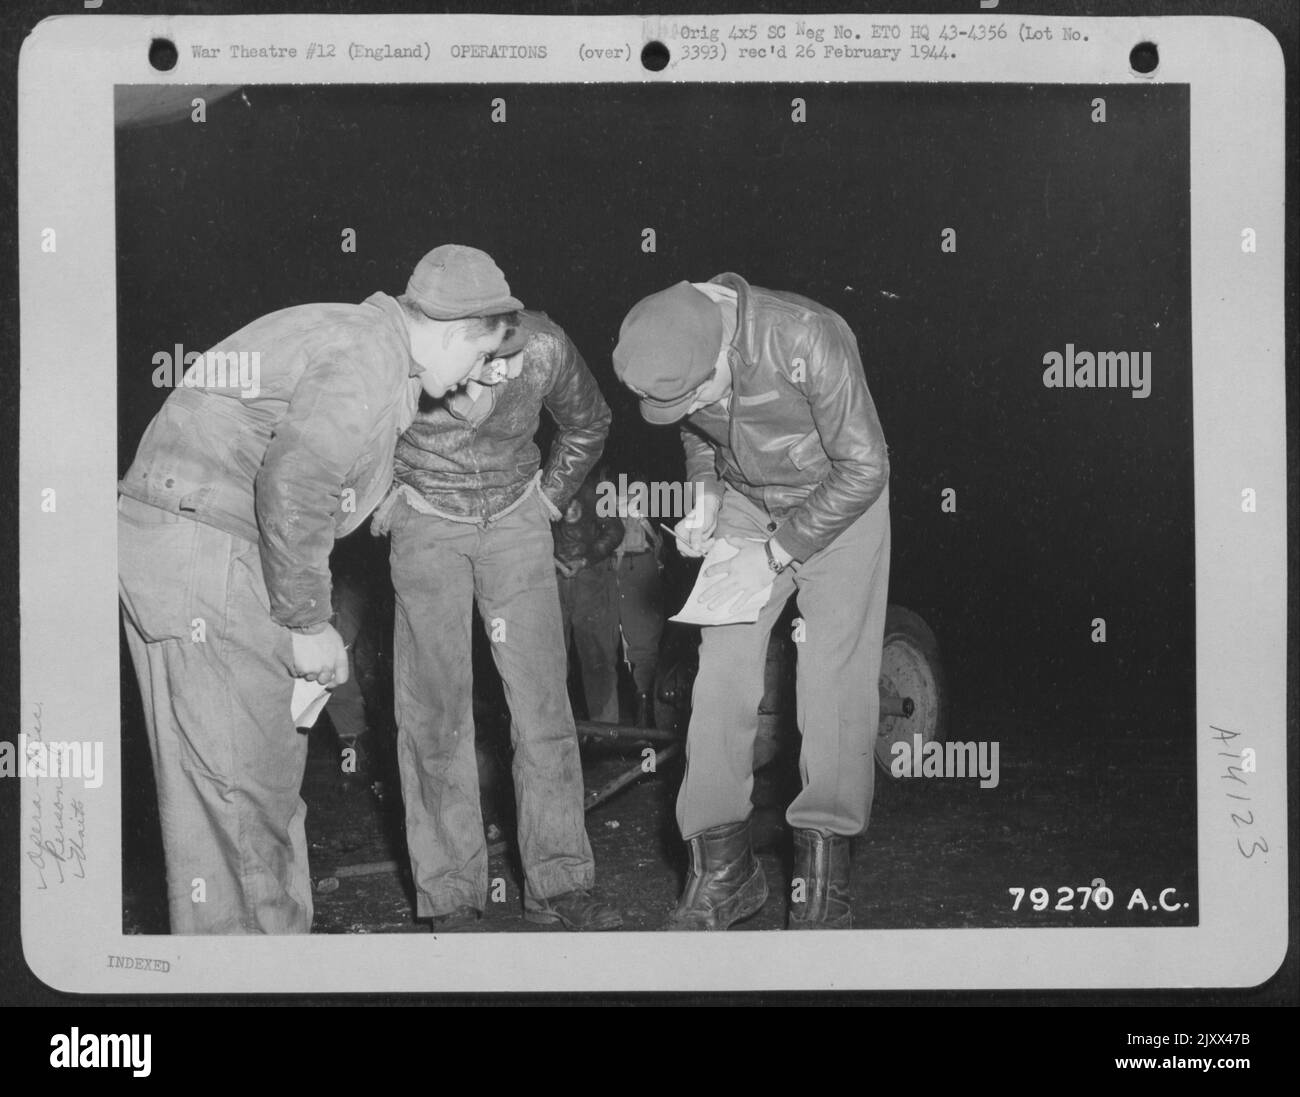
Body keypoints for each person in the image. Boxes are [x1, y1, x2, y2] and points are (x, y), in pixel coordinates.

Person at [118, 244, 523, 934]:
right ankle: (255, 969)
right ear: (457, 332)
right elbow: (297, 483)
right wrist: (307, 621)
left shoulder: (355, 338)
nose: (471, 381)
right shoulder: (369, 354)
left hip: (193, 547)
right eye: (482, 357)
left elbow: (314, 475)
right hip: (209, 555)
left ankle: (262, 955)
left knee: (237, 797)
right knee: (243, 803)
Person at [612, 275, 890, 930]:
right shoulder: (684, 345)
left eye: (698, 391)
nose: (689, 407)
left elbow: (866, 465)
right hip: (747, 501)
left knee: (832, 683)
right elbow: (698, 430)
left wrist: (771, 555)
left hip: (841, 502)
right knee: (721, 679)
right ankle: (725, 873)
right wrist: (705, 497)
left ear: (724, 350)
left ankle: (823, 884)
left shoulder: (806, 336)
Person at [372, 309, 622, 931]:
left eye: (501, 361)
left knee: (543, 709)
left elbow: (589, 422)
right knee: (435, 714)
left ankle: (559, 882)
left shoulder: (546, 346)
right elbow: (345, 431)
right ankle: (451, 892)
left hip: (516, 520)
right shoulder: (393, 348)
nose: (489, 376)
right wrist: (378, 495)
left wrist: (547, 499)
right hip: (427, 521)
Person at [552, 473, 624, 725]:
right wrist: (552, 560)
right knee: (552, 659)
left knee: (597, 656)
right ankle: (555, 728)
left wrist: (585, 560)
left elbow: (615, 530)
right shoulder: (541, 485)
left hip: (589, 580)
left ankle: (605, 728)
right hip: (553, 580)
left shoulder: (594, 489)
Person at [609, 470, 666, 729]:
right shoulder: (609, 499)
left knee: (643, 645)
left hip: (640, 568)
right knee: (620, 645)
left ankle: (645, 710)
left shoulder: (654, 501)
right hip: (617, 570)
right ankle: (637, 710)